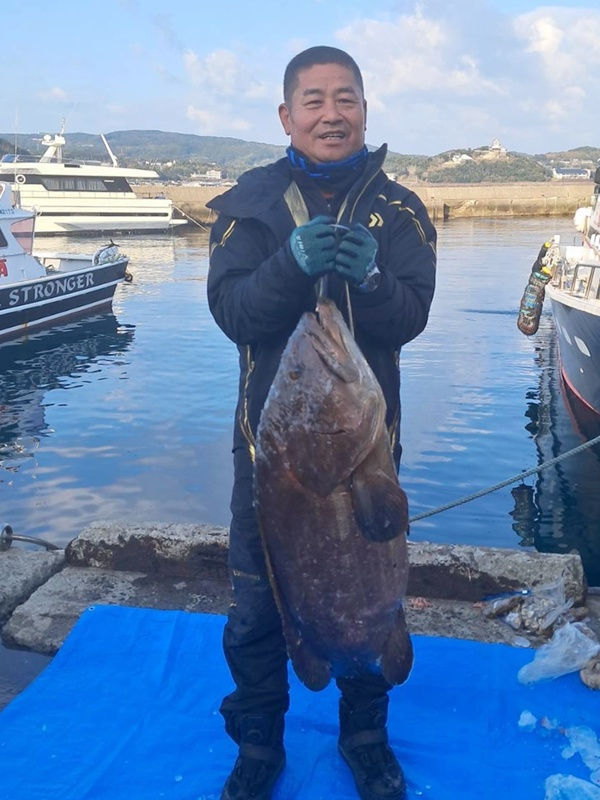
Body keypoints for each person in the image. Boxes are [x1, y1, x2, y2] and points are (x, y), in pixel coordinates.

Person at [207, 45, 436, 800]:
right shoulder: (247, 207)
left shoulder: (401, 211)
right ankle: (258, 743)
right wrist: (289, 265)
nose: (331, 114)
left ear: (364, 110)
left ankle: (365, 736)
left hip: (367, 455)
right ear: (287, 115)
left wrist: (370, 277)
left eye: (346, 99)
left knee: (373, 590)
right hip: (269, 460)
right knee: (255, 606)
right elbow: (233, 313)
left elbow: (409, 318)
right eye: (314, 100)